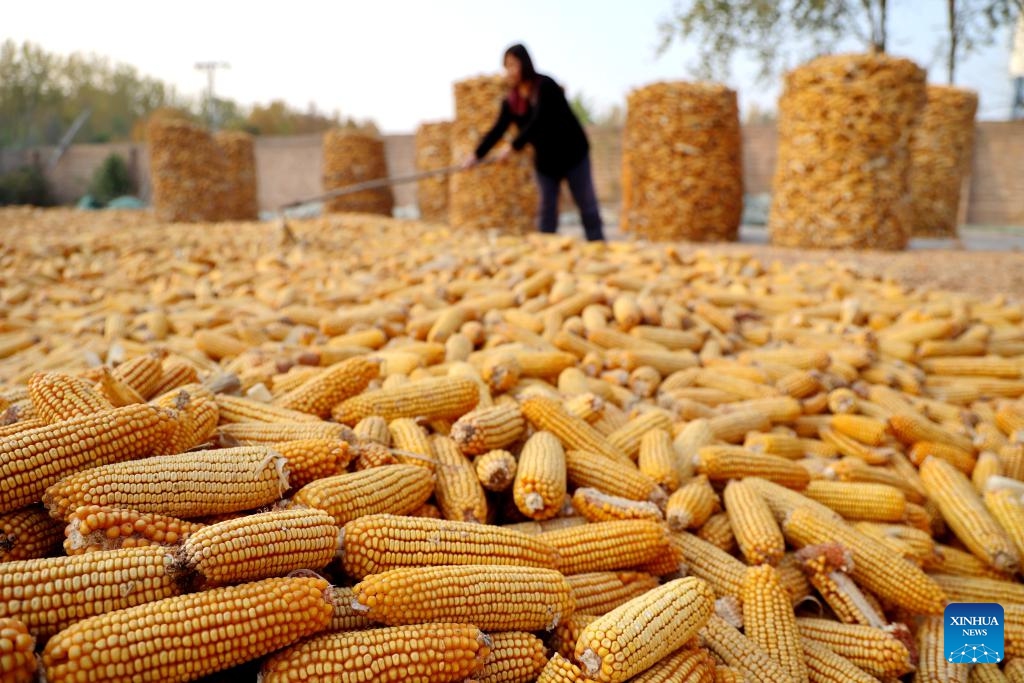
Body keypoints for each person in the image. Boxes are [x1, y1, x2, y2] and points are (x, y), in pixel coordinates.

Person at [462, 43, 605, 241]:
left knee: (586, 204)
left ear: (525, 63)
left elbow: (540, 120)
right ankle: (546, 249)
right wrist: (475, 155)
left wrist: (512, 146)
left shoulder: (546, 86)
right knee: (547, 209)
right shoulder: (511, 101)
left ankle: (597, 243)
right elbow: (497, 130)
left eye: (513, 65)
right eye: (507, 66)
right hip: (546, 162)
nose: (510, 71)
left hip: (572, 154)